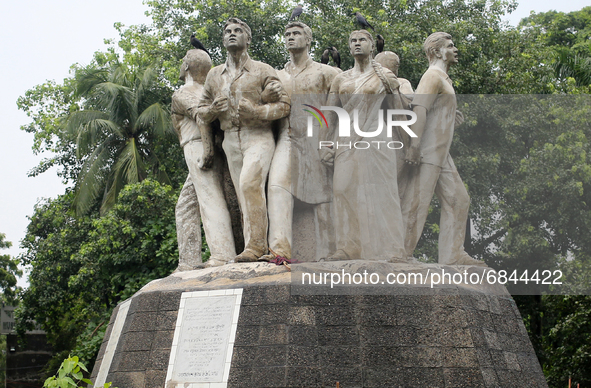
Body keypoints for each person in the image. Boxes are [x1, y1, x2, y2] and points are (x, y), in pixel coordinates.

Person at [198, 18, 290, 262]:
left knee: (250, 184)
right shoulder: (214, 75)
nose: (232, 34)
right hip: (230, 140)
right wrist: (212, 111)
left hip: (258, 136)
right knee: (243, 195)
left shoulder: (263, 69)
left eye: (238, 31)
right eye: (227, 31)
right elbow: (201, 113)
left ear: (248, 38)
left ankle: (258, 246)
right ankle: (251, 246)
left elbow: (285, 106)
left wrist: (258, 111)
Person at [320, 30, 407, 262]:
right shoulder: (341, 79)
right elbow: (330, 114)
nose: (357, 44)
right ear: (349, 47)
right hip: (345, 139)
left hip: (377, 138)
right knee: (342, 189)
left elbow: (398, 113)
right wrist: (324, 145)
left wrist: (410, 145)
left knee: (383, 192)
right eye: (353, 41)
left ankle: (392, 249)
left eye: (362, 40)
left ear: (371, 46)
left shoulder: (384, 76)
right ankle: (349, 247)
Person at [402, 32, 485, 266]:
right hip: (426, 151)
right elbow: (419, 108)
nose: (455, 49)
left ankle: (452, 254)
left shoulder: (444, 79)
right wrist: (414, 146)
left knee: (459, 199)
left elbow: (435, 111)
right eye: (451, 45)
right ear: (437, 51)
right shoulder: (432, 76)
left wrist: (450, 116)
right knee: (417, 203)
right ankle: (401, 253)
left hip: (441, 153)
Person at [262, 22, 339, 261]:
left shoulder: (327, 73)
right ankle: (280, 251)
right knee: (277, 187)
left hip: (318, 135)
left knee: (324, 196)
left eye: (296, 34)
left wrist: (332, 143)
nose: (290, 38)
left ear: (308, 40)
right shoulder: (277, 76)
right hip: (287, 136)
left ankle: (329, 253)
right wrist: (266, 97)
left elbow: (343, 110)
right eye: (287, 34)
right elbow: (265, 108)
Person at [172, 49, 236, 269]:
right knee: (185, 206)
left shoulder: (183, 92)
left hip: (198, 146)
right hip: (214, 146)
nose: (181, 65)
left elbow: (200, 115)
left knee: (210, 199)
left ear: (187, 66)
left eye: (183, 61)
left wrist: (207, 150)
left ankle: (223, 254)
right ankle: (188, 261)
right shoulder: (209, 91)